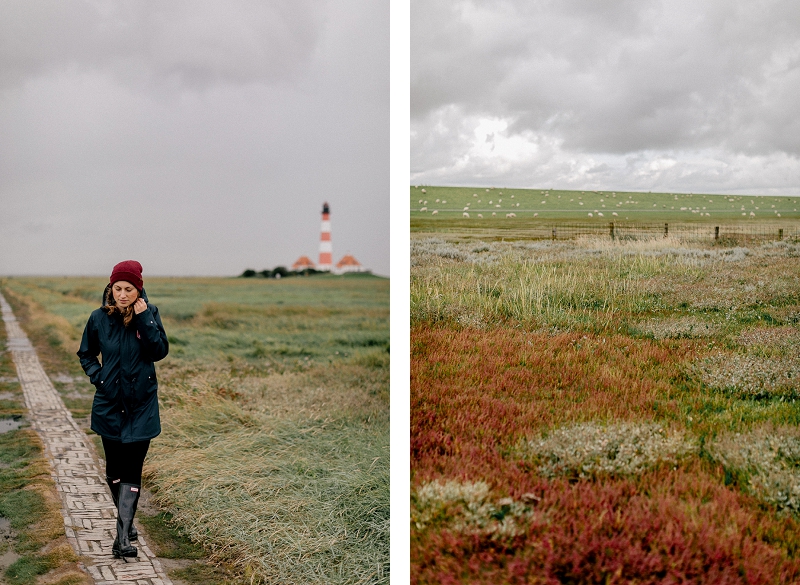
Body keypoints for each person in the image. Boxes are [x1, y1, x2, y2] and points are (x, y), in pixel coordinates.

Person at [77, 260, 169, 558]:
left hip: (142, 404)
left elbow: (158, 352)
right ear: (110, 288)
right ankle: (127, 524)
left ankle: (122, 539)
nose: (122, 294)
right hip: (110, 404)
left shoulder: (150, 314)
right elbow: (86, 353)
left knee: (133, 469)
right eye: (117, 288)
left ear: (138, 289)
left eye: (129, 289)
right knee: (114, 470)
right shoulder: (98, 318)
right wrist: (99, 377)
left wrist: (144, 320)